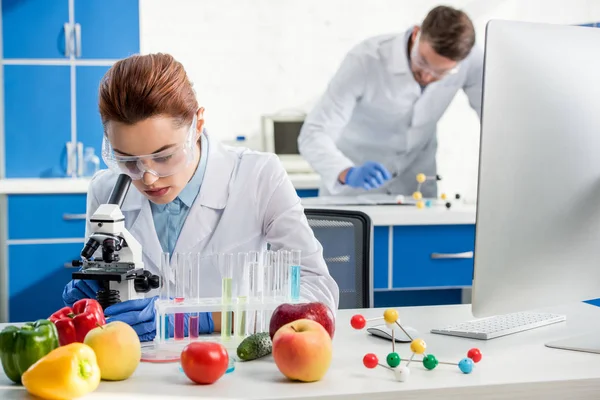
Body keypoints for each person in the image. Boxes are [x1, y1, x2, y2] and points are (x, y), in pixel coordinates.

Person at [62, 53, 340, 341]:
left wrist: (202, 318)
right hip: (138, 365)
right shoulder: (106, 191)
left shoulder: (258, 176)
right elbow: (105, 298)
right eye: (128, 160)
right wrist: (92, 299)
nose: (148, 177)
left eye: (164, 156)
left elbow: (318, 295)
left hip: (232, 364)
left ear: (198, 125)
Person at [298, 6, 483, 198]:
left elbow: (494, 120)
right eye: (423, 62)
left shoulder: (471, 61)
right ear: (416, 34)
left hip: (416, 191)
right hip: (353, 192)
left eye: (441, 73)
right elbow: (314, 134)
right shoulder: (366, 60)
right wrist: (346, 172)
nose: (427, 76)